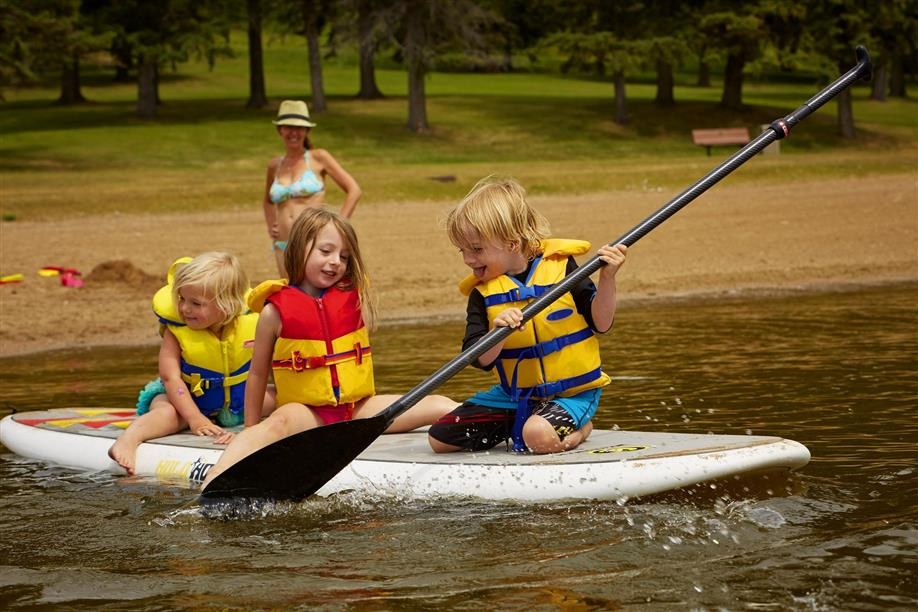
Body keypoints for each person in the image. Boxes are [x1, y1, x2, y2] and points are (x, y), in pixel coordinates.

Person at [202, 208, 457, 487]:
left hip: (359, 411)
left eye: (344, 256)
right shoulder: (274, 312)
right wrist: (251, 430)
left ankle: (489, 421)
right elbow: (257, 375)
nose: (335, 262)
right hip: (307, 414)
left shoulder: (353, 297)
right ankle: (216, 477)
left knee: (437, 404)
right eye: (326, 251)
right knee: (276, 424)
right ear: (300, 248)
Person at [428, 176, 627, 455]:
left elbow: (601, 323)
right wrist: (497, 332)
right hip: (515, 397)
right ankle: (521, 422)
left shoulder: (563, 269)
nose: (468, 260)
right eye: (463, 250)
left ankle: (581, 430)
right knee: (441, 438)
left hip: (572, 395)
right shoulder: (482, 294)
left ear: (511, 243)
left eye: (476, 249)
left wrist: (607, 278)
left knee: (536, 435)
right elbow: (479, 359)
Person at [108, 252, 276, 474]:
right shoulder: (176, 332)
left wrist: (250, 427)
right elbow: (170, 377)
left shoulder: (253, 325)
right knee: (166, 412)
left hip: (237, 403)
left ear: (226, 305)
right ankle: (129, 439)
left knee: (282, 397)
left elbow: (270, 368)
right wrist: (195, 419)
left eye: (196, 303)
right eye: (181, 299)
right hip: (183, 400)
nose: (185, 308)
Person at [264, 99, 362, 277]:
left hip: (314, 242)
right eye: (288, 127)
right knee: (290, 296)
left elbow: (353, 190)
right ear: (280, 130)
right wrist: (271, 225)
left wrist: (337, 226)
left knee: (313, 298)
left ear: (307, 130)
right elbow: (267, 201)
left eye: (299, 127)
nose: (294, 132)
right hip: (283, 244)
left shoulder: (319, 158)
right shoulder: (274, 166)